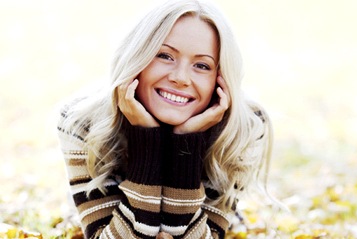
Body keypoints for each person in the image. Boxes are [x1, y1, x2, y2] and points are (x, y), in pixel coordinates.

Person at [57, 0, 273, 238]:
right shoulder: (81, 121)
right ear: (137, 57)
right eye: (165, 56)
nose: (180, 78)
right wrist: (147, 140)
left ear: (220, 78)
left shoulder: (245, 127)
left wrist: (186, 143)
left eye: (202, 65)